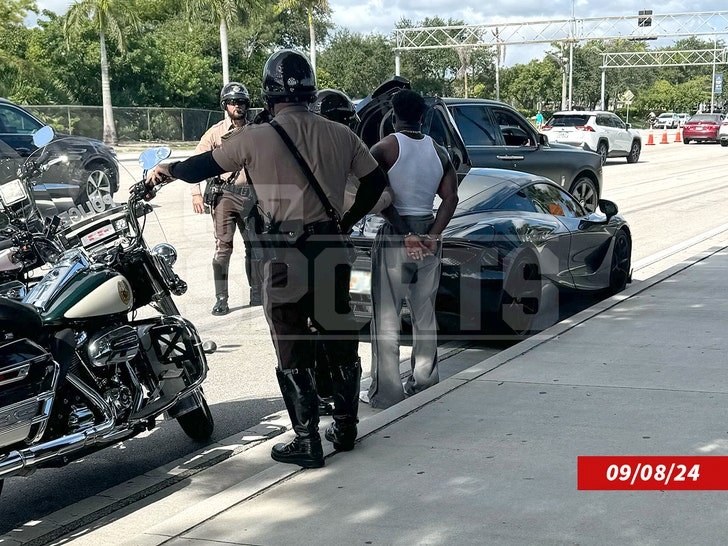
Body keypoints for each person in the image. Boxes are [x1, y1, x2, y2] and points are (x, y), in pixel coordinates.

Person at [146, 49, 389, 468]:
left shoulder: (254, 138)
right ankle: (346, 428)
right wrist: (347, 220)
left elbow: (202, 166)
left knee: (292, 346)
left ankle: (307, 440)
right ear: (311, 91)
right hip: (331, 247)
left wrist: (167, 170)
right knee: (341, 339)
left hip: (284, 255)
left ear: (268, 94)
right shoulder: (341, 134)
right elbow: (374, 182)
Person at [364, 89, 459, 410]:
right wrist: (432, 235)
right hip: (430, 231)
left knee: (387, 317)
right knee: (424, 312)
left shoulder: (385, 147)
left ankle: (386, 392)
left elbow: (379, 193)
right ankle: (424, 379)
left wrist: (406, 234)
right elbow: (451, 199)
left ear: (393, 114)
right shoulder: (440, 151)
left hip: (396, 235)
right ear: (423, 116)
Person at [308, 88, 393, 416]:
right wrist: (386, 194)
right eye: (345, 122)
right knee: (334, 324)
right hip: (336, 253)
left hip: (315, 252)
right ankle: (329, 394)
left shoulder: (309, 151)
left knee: (327, 322)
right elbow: (362, 201)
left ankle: (326, 391)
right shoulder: (331, 162)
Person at [191, 82, 263, 314]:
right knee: (223, 249)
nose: (237, 106)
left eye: (241, 102)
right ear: (225, 105)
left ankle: (256, 292)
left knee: (255, 247)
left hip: (252, 196)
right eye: (233, 102)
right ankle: (221, 298)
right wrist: (195, 193)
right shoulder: (215, 133)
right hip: (225, 196)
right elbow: (195, 163)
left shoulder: (256, 130)